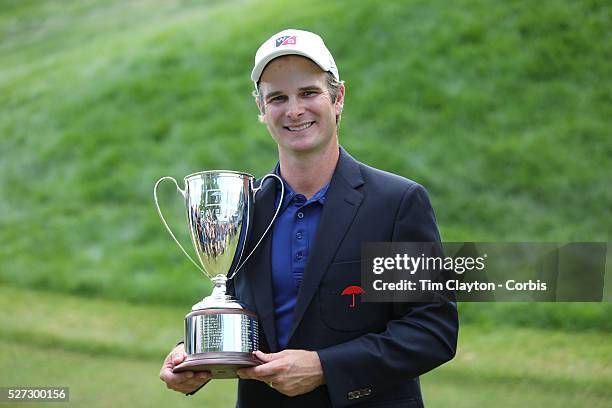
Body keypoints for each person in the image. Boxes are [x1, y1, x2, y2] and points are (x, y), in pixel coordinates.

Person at [160, 28, 458, 407]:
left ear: (338, 98)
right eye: (278, 98)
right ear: (261, 110)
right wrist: (195, 354)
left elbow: (432, 331)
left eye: (309, 92)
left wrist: (324, 367)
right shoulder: (246, 208)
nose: (294, 110)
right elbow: (242, 314)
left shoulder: (396, 203)